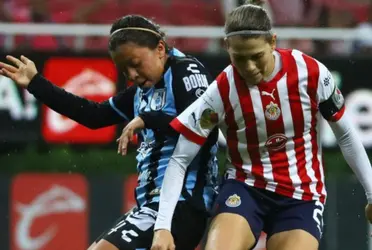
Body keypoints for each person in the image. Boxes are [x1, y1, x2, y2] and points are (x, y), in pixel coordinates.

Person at [151, 3, 372, 250]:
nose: (249, 68)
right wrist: (162, 227)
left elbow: (347, 137)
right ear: (227, 47)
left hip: (301, 195)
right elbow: (180, 158)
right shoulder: (221, 90)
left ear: (273, 42)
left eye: (257, 57)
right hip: (245, 188)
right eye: (239, 58)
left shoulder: (312, 73)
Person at [0, 15, 220, 250]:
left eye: (136, 63)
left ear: (159, 49)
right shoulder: (141, 91)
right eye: (124, 70)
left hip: (181, 205)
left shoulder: (186, 71)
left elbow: (206, 126)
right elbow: (93, 116)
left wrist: (147, 118)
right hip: (151, 207)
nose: (132, 75)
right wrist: (36, 84)